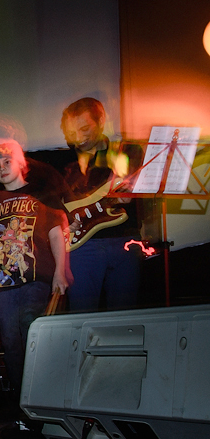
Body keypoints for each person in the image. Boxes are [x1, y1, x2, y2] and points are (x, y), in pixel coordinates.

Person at [0, 140, 70, 402]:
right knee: (10, 341)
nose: (1, 168)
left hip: (35, 277)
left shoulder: (40, 194)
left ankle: (41, 398)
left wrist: (61, 271)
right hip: (2, 281)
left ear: (21, 164)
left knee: (32, 334)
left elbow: (56, 233)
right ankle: (21, 401)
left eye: (7, 162)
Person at [59, 97, 145, 312]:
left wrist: (134, 193)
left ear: (101, 120)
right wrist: (64, 220)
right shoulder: (65, 164)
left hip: (125, 240)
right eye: (72, 133)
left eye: (84, 129)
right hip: (82, 246)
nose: (78, 138)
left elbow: (141, 189)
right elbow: (52, 203)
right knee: (81, 315)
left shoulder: (128, 151)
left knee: (125, 315)